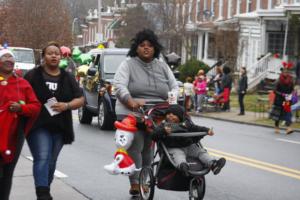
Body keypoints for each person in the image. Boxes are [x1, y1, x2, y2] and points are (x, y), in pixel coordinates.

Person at [113, 29, 179, 196]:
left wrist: (173, 100)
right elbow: (119, 86)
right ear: (136, 48)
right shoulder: (127, 64)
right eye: (142, 45)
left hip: (157, 111)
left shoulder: (162, 65)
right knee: (137, 145)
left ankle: (146, 178)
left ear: (155, 48)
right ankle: (135, 182)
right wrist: (131, 102)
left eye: (150, 45)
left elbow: (174, 86)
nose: (146, 48)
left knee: (149, 149)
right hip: (132, 111)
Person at [24, 42, 84, 200]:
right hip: (38, 124)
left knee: (51, 161)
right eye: (50, 53)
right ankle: (42, 193)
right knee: (42, 157)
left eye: (56, 53)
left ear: (60, 56)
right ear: (43, 56)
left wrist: (66, 105)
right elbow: (22, 96)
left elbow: (80, 99)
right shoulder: (32, 75)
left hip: (61, 126)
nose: (54, 56)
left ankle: (45, 189)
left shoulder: (67, 77)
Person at [0, 48, 41, 200]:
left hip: (15, 136)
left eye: (11, 57)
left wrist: (21, 108)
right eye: (4, 57)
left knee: (7, 173)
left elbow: (35, 107)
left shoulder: (22, 84)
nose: (8, 60)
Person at [151, 105, 226, 176]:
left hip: (189, 146)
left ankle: (213, 164)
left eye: (174, 114)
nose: (170, 115)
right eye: (168, 114)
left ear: (180, 116)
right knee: (178, 155)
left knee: (200, 152)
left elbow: (197, 128)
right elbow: (154, 135)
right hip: (173, 147)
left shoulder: (186, 124)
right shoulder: (164, 125)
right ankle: (183, 166)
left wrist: (207, 130)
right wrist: (163, 131)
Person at [269, 68, 294, 134]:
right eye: (284, 72)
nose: (285, 73)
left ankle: (288, 128)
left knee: (287, 114)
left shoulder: (291, 81)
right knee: (278, 115)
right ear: (282, 73)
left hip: (287, 100)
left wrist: (290, 94)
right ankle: (276, 127)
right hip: (279, 100)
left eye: (287, 72)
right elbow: (274, 90)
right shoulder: (278, 80)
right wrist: (282, 94)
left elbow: (292, 89)